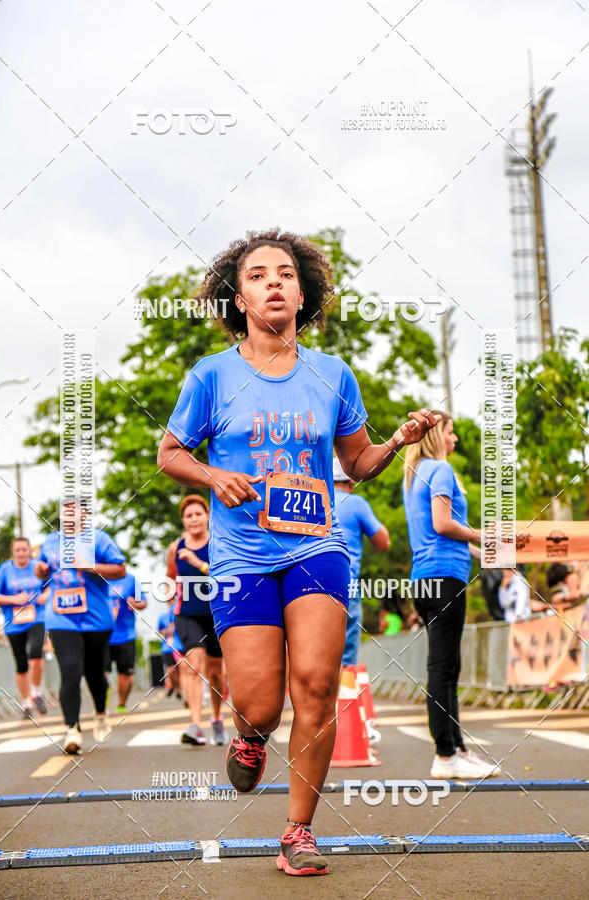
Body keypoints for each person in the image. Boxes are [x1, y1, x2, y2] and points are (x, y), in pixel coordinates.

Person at [157, 229, 440, 876]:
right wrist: (212, 476)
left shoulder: (331, 373)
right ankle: (250, 736)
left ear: (304, 292)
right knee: (260, 704)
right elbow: (170, 453)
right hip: (242, 556)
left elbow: (357, 463)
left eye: (285, 273)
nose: (274, 284)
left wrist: (397, 442)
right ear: (240, 298)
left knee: (315, 683)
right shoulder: (211, 376)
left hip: (318, 545)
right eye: (258, 276)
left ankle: (297, 832)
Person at [403, 410, 500, 780]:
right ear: (436, 436)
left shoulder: (415, 473)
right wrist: (481, 535)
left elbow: (436, 532)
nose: (455, 439)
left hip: (426, 578)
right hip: (444, 577)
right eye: (451, 432)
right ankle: (445, 754)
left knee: (447, 666)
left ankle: (457, 747)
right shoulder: (441, 470)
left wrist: (482, 553)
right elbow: (443, 524)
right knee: (443, 667)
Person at [35, 497, 126, 754]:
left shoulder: (99, 539)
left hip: (96, 617)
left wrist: (91, 567)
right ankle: (72, 729)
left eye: (75, 510)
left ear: (84, 514)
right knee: (70, 669)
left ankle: (100, 714)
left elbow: (120, 569)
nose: (69, 515)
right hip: (61, 616)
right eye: (65, 510)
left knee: (94, 672)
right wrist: (40, 569)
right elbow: (41, 571)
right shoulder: (50, 541)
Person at [165, 495, 227, 746]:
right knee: (192, 664)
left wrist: (198, 563)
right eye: (188, 516)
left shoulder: (219, 542)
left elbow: (224, 574)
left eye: (198, 514)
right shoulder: (175, 548)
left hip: (216, 612)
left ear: (207, 516)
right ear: (183, 520)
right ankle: (195, 726)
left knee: (216, 673)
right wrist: (168, 591)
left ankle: (216, 718)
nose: (193, 519)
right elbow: (171, 576)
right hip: (187, 614)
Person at [332, 457, 390, 667]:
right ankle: (344, 685)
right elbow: (384, 542)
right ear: (350, 482)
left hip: (311, 581)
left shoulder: (316, 500)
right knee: (346, 652)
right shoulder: (356, 503)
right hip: (346, 583)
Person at [0, 537, 49, 717]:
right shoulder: (5, 570)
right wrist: (14, 599)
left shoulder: (37, 566)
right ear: (13, 552)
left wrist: (45, 596)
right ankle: (26, 704)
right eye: (18, 550)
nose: (21, 553)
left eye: (24, 549)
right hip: (14, 623)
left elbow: (52, 584)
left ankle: (36, 693)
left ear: (29, 551)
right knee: (21, 665)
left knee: (36, 654)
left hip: (36, 618)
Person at [105, 570, 147, 713]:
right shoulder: (98, 577)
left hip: (126, 635)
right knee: (101, 671)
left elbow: (143, 602)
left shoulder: (130, 580)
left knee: (125, 673)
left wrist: (135, 603)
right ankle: (101, 705)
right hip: (103, 634)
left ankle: (121, 703)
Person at [156, 598, 183, 696]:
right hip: (167, 648)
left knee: (181, 669)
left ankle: (179, 689)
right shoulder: (162, 617)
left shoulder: (180, 615)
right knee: (171, 669)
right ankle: (176, 688)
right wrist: (167, 632)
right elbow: (159, 631)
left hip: (179, 647)